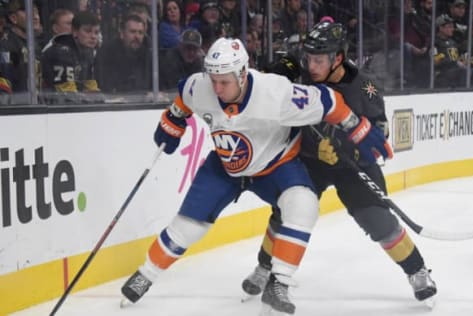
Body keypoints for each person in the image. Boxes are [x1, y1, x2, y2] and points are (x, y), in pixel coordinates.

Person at [120, 37, 392, 315]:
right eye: (212, 79)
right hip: (225, 165)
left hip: (276, 166)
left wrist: (356, 127)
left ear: (242, 73)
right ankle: (146, 274)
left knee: (304, 205)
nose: (217, 88)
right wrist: (172, 120)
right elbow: (184, 99)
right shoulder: (200, 86)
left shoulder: (276, 93)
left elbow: (328, 100)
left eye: (224, 81)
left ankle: (279, 284)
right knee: (189, 226)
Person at [241, 21, 437, 305]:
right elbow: (280, 69)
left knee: (378, 221)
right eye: (308, 58)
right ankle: (264, 266)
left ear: (338, 59)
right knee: (285, 212)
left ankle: (417, 271)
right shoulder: (303, 69)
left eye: (319, 60)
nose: (311, 65)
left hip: (351, 166)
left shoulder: (364, 88)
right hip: (309, 160)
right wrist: (272, 72)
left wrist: (348, 149)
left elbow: (379, 135)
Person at [41, 11, 103, 104]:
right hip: (47, 109)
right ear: (75, 32)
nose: (93, 36)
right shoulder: (61, 50)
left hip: (71, 105)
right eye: (88, 31)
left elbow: (91, 88)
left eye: (96, 32)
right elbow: (68, 94)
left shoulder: (89, 51)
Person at [95, 14, 152, 94]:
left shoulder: (148, 55)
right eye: (132, 32)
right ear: (122, 33)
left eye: (140, 33)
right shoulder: (107, 53)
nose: (137, 36)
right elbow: (105, 87)